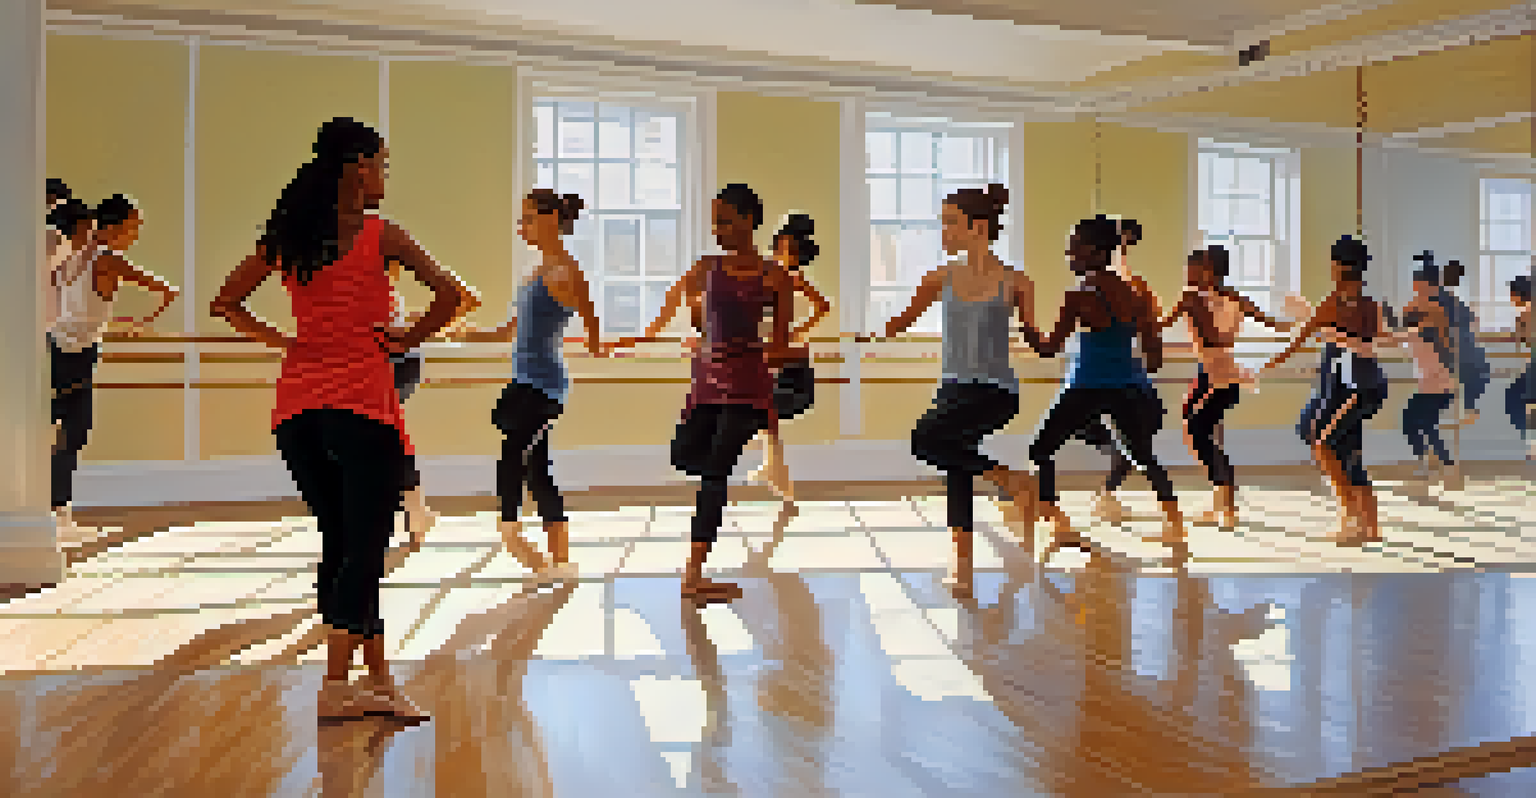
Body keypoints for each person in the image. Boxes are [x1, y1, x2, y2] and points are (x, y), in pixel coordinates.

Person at [210, 117, 462, 723]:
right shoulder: (380, 233)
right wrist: (406, 340)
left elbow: (226, 303)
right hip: (362, 408)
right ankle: (335, 686)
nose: (384, 177)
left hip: (298, 413)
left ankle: (377, 681)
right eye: (381, 165)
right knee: (364, 551)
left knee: (344, 544)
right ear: (357, 167)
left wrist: (288, 343)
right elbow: (452, 295)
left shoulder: (290, 237)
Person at [608, 184, 797, 604]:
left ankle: (693, 574)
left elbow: (781, 345)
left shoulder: (775, 277)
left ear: (748, 221)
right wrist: (636, 339)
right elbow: (673, 310)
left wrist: (761, 349)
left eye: (725, 221)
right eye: (715, 222)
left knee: (715, 474)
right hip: (708, 383)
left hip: (748, 387)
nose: (717, 230)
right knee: (685, 455)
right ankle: (697, 567)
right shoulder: (705, 268)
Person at [890, 183, 1039, 597]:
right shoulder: (940, 278)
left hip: (996, 391)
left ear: (978, 227)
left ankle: (1011, 480)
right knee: (956, 464)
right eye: (943, 223)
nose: (944, 231)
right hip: (952, 390)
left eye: (951, 223)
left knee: (924, 440)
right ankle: (963, 564)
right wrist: (864, 336)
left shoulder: (1017, 282)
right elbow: (903, 319)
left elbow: (1034, 335)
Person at [460, 188, 602, 579]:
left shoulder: (568, 272)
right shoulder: (535, 274)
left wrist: (602, 347)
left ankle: (511, 533)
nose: (521, 227)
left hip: (544, 385)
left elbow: (592, 329)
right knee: (538, 469)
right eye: (520, 220)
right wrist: (468, 334)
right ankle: (561, 562)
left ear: (551, 219)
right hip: (524, 379)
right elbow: (510, 331)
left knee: (512, 453)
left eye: (527, 219)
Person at [1019, 215, 1183, 552]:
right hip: (1130, 385)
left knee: (1041, 450)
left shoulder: (1079, 295)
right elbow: (1154, 353)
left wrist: (1023, 318)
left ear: (1095, 251)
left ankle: (1055, 520)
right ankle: (1175, 524)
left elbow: (1048, 348)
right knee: (1142, 455)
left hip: (1086, 386)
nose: (1069, 255)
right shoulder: (1135, 294)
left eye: (1075, 248)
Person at [48, 194, 181, 537]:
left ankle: (53, 512)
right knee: (73, 432)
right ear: (114, 227)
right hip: (74, 353)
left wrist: (110, 323)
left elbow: (70, 308)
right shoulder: (108, 258)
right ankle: (57, 513)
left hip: (55, 347)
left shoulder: (70, 255)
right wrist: (139, 323)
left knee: (56, 431)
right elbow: (168, 291)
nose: (134, 235)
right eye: (133, 227)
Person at [1258, 235, 1388, 545]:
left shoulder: (1355, 305)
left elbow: (1365, 344)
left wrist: (1327, 332)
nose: (1331, 270)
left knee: (1324, 443)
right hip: (1345, 388)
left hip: (1358, 388)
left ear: (1342, 267)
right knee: (1346, 451)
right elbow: (1304, 335)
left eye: (1333, 265)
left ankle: (1351, 517)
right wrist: (1269, 361)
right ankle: (1370, 527)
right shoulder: (1345, 303)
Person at [1160, 245, 1296, 529]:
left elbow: (1166, 327)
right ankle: (1221, 501)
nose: (1187, 274)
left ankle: (1227, 502)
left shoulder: (1192, 298)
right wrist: (1300, 320)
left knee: (1197, 431)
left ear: (1208, 271)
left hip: (1219, 375)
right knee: (1200, 431)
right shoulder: (1233, 298)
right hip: (1216, 372)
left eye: (1192, 269)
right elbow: (1274, 324)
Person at [740, 212, 830, 555]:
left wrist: (796, 333)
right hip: (776, 360)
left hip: (790, 366)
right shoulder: (769, 275)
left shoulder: (788, 277)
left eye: (789, 249)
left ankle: (775, 473)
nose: (783, 252)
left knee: (764, 413)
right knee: (766, 418)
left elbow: (822, 307)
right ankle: (778, 477)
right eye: (781, 246)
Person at [383, 250, 482, 551]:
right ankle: (415, 513)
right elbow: (469, 299)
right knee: (386, 437)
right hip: (401, 365)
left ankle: (413, 513)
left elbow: (467, 297)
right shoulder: (386, 291)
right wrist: (424, 325)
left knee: (382, 437)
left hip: (394, 366)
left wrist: (419, 328)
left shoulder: (379, 290)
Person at [1071, 218, 1165, 525]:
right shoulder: (1100, 285)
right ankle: (1110, 493)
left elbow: (1151, 337)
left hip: (1122, 379)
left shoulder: (1132, 286)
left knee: (1131, 442)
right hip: (1109, 378)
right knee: (1096, 431)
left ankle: (1110, 495)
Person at [1392, 264, 1457, 487]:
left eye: (1421, 285)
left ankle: (1435, 462)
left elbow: (1410, 333)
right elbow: (1402, 335)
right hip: (1431, 382)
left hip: (1439, 382)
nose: (1417, 288)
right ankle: (1441, 462)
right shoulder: (1416, 312)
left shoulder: (1435, 313)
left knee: (1414, 421)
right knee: (1425, 423)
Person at [1435, 258, 1491, 427]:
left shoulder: (1447, 297)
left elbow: (1467, 318)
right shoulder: (1441, 298)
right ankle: (1468, 407)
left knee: (1479, 367)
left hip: (1461, 346)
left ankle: (1468, 406)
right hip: (1454, 349)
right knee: (1478, 369)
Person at [1506, 274, 1532, 440]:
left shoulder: (1526, 315)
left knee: (1513, 397)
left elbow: (1522, 339)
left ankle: (1526, 436)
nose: (1511, 299)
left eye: (1512, 295)